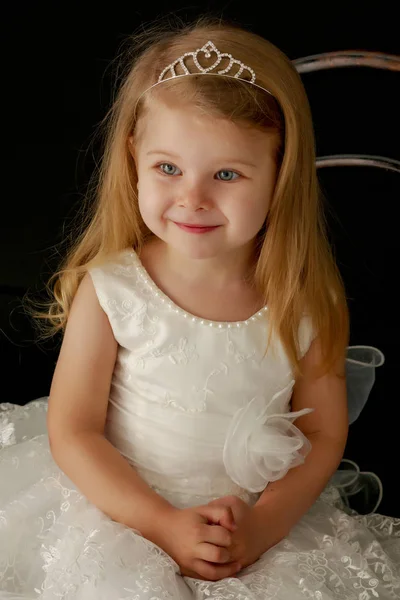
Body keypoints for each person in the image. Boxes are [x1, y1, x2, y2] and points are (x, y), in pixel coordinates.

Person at [1, 15, 399, 600]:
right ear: (135, 156)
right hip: (120, 516)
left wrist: (262, 527)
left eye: (228, 174)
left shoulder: (306, 298)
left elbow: (320, 435)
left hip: (257, 530)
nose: (192, 197)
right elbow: (75, 430)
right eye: (168, 168)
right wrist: (162, 524)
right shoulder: (115, 288)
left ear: (279, 174)